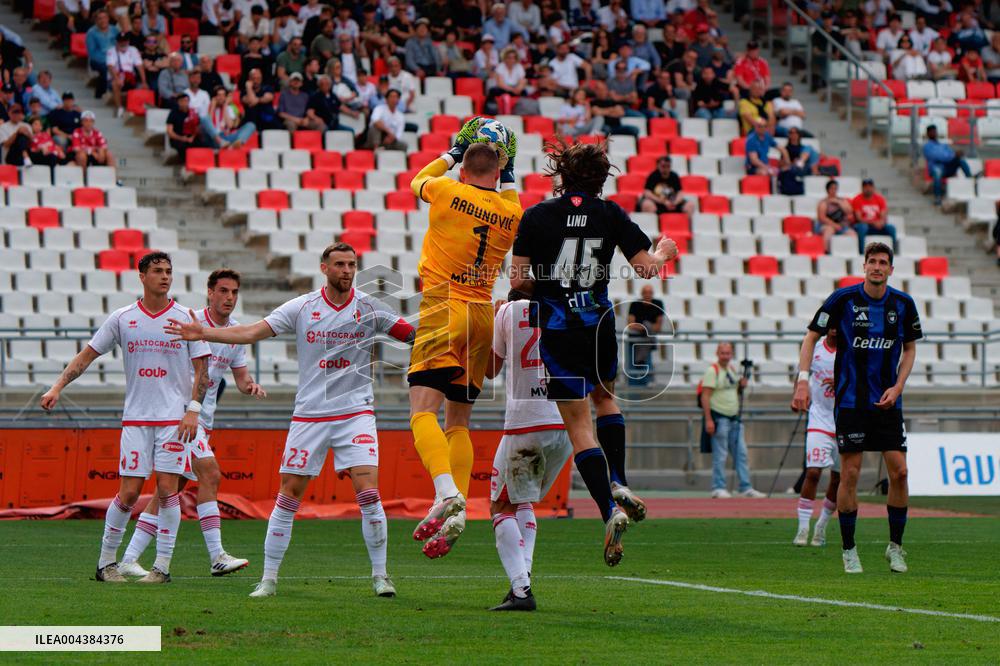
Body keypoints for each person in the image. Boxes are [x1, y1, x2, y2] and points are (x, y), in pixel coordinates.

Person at [166, 243, 413, 598]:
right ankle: (269, 579)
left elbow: (410, 334)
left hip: (356, 414)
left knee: (369, 494)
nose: (347, 270)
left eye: (352, 264)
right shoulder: (302, 307)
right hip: (310, 415)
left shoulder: (371, 307)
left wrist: (448, 340)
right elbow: (251, 332)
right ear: (324, 268)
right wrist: (205, 333)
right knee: (288, 497)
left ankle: (380, 576)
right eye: (340, 264)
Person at [510, 139, 679, 565]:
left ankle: (609, 509)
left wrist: (550, 287)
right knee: (606, 398)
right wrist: (665, 252)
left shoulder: (536, 216)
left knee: (579, 425)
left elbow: (518, 281)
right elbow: (646, 268)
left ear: (561, 173)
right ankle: (619, 479)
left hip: (559, 327)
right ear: (603, 178)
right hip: (600, 323)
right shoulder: (610, 213)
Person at [40, 252, 210, 584]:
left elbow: (203, 370)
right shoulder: (123, 318)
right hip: (136, 419)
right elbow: (87, 355)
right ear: (142, 276)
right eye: (158, 271)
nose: (165, 276)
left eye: (169, 271)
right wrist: (57, 386)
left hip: (174, 421)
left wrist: (193, 410)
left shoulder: (186, 317)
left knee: (167, 490)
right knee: (129, 492)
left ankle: (161, 567)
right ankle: (106, 564)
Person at [406, 126, 522, 559]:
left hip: (442, 306)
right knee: (459, 422)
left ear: (463, 167)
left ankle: (444, 493)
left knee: (421, 412)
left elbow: (416, 178)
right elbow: (511, 195)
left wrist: (450, 153)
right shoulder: (512, 213)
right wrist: (508, 168)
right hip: (481, 314)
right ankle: (457, 515)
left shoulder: (442, 190)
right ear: (498, 169)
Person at [118, 269, 263, 578]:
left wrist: (250, 386)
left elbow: (239, 378)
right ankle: (216, 556)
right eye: (223, 291)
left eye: (234, 292)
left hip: (202, 421)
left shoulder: (235, 333)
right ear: (209, 293)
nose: (229, 298)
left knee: (170, 491)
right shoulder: (188, 322)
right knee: (210, 474)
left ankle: (129, 558)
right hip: (181, 417)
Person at [793, 242, 922, 574]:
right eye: (872, 261)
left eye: (883, 262)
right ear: (864, 266)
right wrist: (803, 379)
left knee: (901, 472)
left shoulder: (903, 304)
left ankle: (896, 547)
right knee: (849, 473)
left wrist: (899, 386)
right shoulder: (843, 300)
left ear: (891, 269)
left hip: (888, 402)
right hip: (850, 402)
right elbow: (811, 336)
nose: (877, 267)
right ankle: (849, 550)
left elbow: (909, 349)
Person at [482, 293, 573, 611]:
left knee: (499, 505)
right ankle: (523, 578)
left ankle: (521, 589)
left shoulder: (507, 311)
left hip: (526, 426)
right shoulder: (567, 306)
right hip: (567, 424)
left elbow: (490, 370)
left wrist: (491, 321)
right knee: (521, 500)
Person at [790, 328, 840, 547]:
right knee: (812, 472)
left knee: (838, 479)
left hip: (845, 421)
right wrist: (798, 394)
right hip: (819, 418)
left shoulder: (850, 350)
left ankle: (822, 525)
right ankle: (803, 528)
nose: (834, 327)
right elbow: (802, 373)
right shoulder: (815, 348)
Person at [701, 343, 765, 499]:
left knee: (741, 454)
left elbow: (734, 390)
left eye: (728, 353)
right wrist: (708, 419)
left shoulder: (732, 369)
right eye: (723, 353)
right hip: (720, 417)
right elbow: (705, 396)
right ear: (717, 353)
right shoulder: (712, 371)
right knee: (720, 455)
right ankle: (718, 487)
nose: (725, 356)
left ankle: (745, 486)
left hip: (734, 418)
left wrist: (741, 385)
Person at [626, 285, 665, 387]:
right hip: (635, 339)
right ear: (642, 294)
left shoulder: (658, 304)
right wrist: (646, 327)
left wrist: (643, 327)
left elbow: (658, 326)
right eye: (645, 292)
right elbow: (631, 324)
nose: (648, 295)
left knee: (646, 362)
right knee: (632, 364)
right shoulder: (635, 304)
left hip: (646, 341)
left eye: (650, 292)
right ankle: (634, 387)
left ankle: (645, 385)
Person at [923, 124, 971, 205]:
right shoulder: (927, 147)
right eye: (931, 132)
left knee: (961, 161)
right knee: (937, 171)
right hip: (938, 168)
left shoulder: (943, 145)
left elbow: (951, 154)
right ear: (928, 134)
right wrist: (952, 156)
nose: (934, 133)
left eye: (935, 131)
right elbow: (937, 157)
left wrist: (955, 155)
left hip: (948, 167)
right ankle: (937, 198)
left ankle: (971, 181)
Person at [107, 32, 146, 118]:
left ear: (128, 41)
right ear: (117, 42)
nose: (123, 43)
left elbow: (139, 66)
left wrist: (144, 81)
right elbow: (110, 66)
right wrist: (117, 79)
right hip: (116, 77)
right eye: (121, 41)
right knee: (115, 84)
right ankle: (119, 108)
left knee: (142, 86)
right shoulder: (111, 51)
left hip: (130, 77)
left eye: (125, 41)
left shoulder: (133, 50)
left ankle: (134, 109)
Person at [851, 178, 897, 252]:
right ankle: (862, 252)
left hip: (877, 225)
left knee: (891, 228)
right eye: (866, 187)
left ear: (873, 188)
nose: (868, 189)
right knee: (862, 227)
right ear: (862, 188)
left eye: (870, 186)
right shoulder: (857, 199)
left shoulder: (880, 199)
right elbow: (859, 218)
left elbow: (883, 215)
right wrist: (873, 223)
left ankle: (893, 251)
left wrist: (881, 222)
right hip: (864, 225)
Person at [86, 10, 118, 100]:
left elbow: (119, 45)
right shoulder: (91, 33)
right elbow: (92, 53)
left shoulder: (114, 30)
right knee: (105, 69)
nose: (103, 20)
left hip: (114, 59)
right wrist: (108, 61)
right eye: (100, 18)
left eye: (105, 18)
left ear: (108, 19)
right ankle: (100, 94)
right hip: (98, 60)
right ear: (96, 21)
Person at [166, 92, 208, 160]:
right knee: (183, 147)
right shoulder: (173, 113)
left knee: (203, 145)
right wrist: (182, 138)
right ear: (178, 102)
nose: (184, 103)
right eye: (182, 101)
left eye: (186, 101)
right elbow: (170, 131)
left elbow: (197, 127)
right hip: (178, 138)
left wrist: (192, 137)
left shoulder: (193, 112)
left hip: (191, 136)